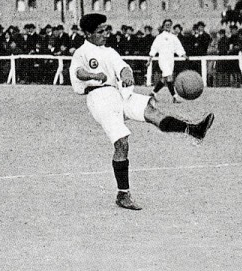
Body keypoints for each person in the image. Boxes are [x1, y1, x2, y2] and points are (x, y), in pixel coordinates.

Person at [69, 13, 214, 211]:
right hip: (99, 98)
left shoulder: (109, 51)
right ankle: (123, 194)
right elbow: (78, 72)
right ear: (87, 33)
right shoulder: (81, 53)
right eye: (100, 31)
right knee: (122, 142)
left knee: (151, 110)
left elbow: (122, 67)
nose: (105, 34)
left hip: (118, 93)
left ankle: (194, 130)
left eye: (106, 30)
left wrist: (126, 74)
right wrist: (94, 75)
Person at [147, 19, 187, 102]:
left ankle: (153, 93)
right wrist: (149, 60)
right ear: (163, 26)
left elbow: (178, 47)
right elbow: (154, 48)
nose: (168, 26)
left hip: (170, 60)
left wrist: (183, 55)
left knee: (164, 79)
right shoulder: (160, 37)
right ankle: (175, 97)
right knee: (169, 77)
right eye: (166, 25)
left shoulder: (173, 37)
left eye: (169, 24)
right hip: (163, 59)